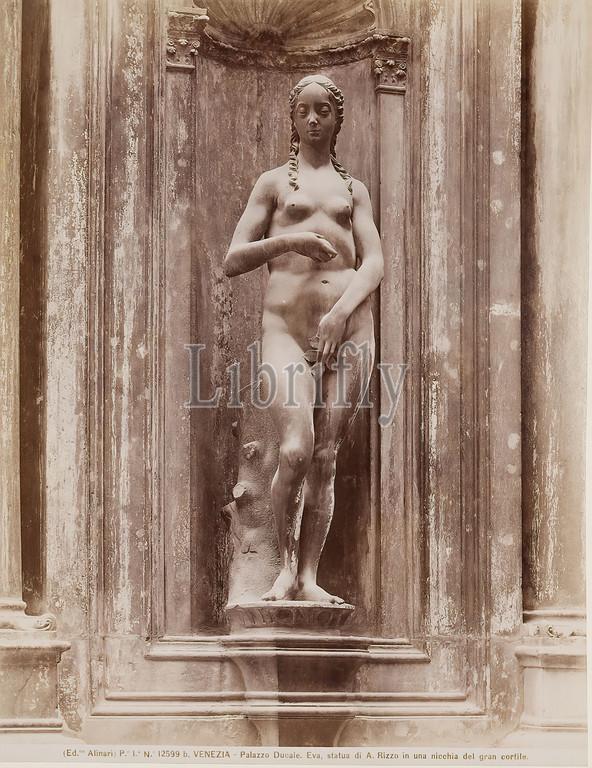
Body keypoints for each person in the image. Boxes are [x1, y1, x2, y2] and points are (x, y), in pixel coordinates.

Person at [223, 74, 383, 603]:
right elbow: (233, 259)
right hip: (285, 331)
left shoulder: (353, 190)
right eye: (304, 111)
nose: (314, 119)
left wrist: (340, 314)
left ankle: (309, 578)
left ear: (337, 120)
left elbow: (374, 263)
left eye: (324, 111)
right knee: (296, 449)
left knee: (325, 456)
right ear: (293, 120)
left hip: (349, 329)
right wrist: (290, 241)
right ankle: (285, 568)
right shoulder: (273, 184)